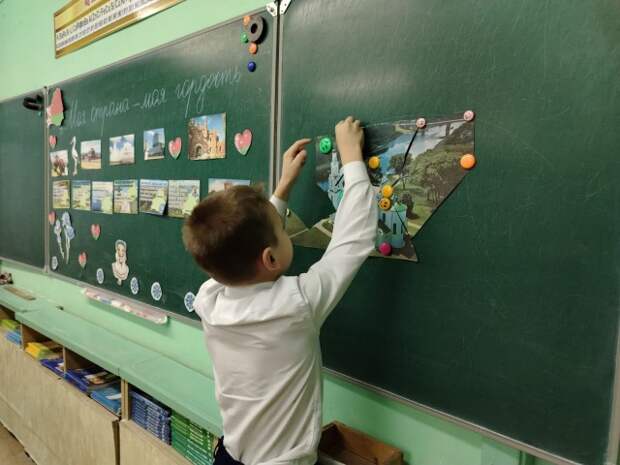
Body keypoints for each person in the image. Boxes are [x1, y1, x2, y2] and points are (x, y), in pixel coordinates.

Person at [183, 116, 377, 465]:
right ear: (270, 258)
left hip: (230, 456)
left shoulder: (210, 299)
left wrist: (283, 187)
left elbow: (236, 241)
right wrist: (352, 159)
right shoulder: (295, 305)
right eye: (283, 229)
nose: (287, 230)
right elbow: (353, 240)